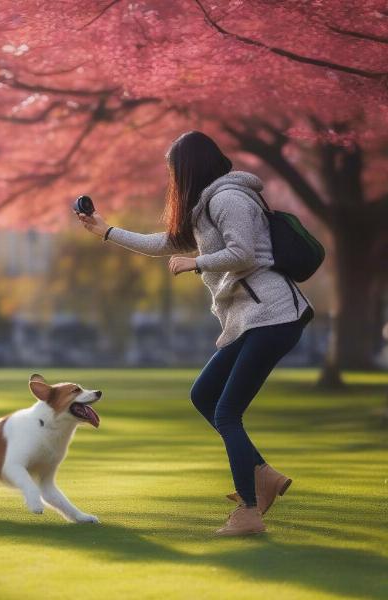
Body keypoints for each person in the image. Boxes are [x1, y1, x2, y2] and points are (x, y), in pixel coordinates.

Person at [77, 130, 313, 536]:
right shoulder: (206, 207)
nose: (172, 180)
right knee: (204, 395)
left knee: (226, 411)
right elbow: (162, 243)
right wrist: (106, 231)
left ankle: (249, 511)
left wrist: (196, 262)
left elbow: (244, 253)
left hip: (273, 314)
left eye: (173, 171)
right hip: (250, 318)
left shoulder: (228, 198)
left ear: (188, 169)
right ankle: (263, 475)